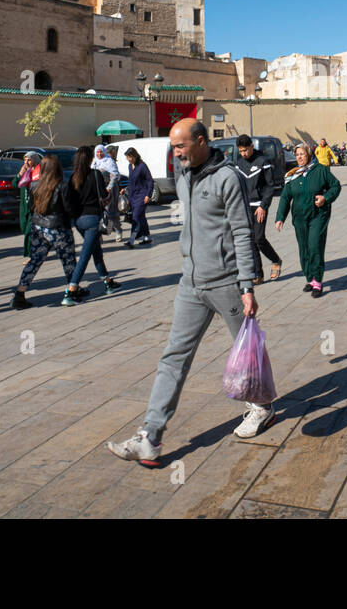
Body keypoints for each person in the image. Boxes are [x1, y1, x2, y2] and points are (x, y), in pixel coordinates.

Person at [106, 119, 272, 466]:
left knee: (247, 350)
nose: (176, 152)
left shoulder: (227, 178)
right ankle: (150, 437)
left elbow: (242, 232)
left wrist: (246, 285)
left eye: (180, 146)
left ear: (200, 142)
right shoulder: (184, 176)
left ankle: (261, 406)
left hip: (227, 282)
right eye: (173, 146)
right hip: (190, 284)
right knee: (174, 356)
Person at [275, 142, 341, 298]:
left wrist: (325, 198)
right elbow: (285, 198)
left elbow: (336, 186)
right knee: (304, 249)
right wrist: (280, 218)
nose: (299, 157)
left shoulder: (321, 171)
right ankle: (310, 278)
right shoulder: (293, 174)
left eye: (302, 154)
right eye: (297, 154)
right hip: (299, 218)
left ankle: (318, 280)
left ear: (309, 155)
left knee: (315, 246)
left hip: (318, 215)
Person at [11, 155, 76, 310]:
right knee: (68, 260)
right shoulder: (61, 185)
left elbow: (32, 207)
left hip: (38, 227)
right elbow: (69, 209)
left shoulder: (34, 185)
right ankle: (72, 290)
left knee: (35, 260)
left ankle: (20, 293)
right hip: (58, 227)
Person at [62, 144, 120, 305]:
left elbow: (68, 200)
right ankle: (71, 291)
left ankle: (108, 282)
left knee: (96, 250)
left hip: (79, 220)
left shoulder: (73, 177)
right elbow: (104, 196)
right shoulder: (96, 174)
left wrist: (73, 217)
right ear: (90, 159)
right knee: (85, 255)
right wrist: (107, 198)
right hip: (92, 219)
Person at [234, 135, 282, 284]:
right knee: (251, 241)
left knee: (259, 238)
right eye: (241, 151)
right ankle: (258, 275)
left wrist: (263, 206)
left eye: (245, 150)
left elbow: (270, 186)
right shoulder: (239, 163)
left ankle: (275, 260)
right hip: (245, 207)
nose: (243, 154)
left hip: (259, 206)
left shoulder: (263, 162)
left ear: (251, 147)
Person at [13, 151, 42, 257]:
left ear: (34, 159)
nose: (26, 162)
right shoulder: (24, 171)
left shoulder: (39, 171)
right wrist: (20, 174)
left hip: (34, 206)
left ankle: (29, 255)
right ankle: (38, 248)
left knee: (29, 232)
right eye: (25, 160)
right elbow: (15, 184)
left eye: (29, 159)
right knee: (24, 227)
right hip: (24, 206)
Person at [123, 147, 153, 246]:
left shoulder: (142, 166)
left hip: (142, 195)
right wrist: (126, 189)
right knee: (141, 217)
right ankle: (147, 237)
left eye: (130, 157)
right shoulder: (129, 166)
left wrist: (148, 195)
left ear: (135, 155)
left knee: (135, 217)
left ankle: (131, 240)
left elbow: (150, 180)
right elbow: (132, 181)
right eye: (127, 157)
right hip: (133, 196)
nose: (129, 159)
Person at [93, 145, 122, 238]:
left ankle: (117, 230)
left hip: (109, 190)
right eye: (97, 152)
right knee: (98, 212)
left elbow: (114, 176)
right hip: (98, 190)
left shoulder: (109, 161)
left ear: (104, 152)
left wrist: (108, 188)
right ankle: (100, 235)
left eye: (101, 152)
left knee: (111, 211)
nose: (99, 154)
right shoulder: (94, 163)